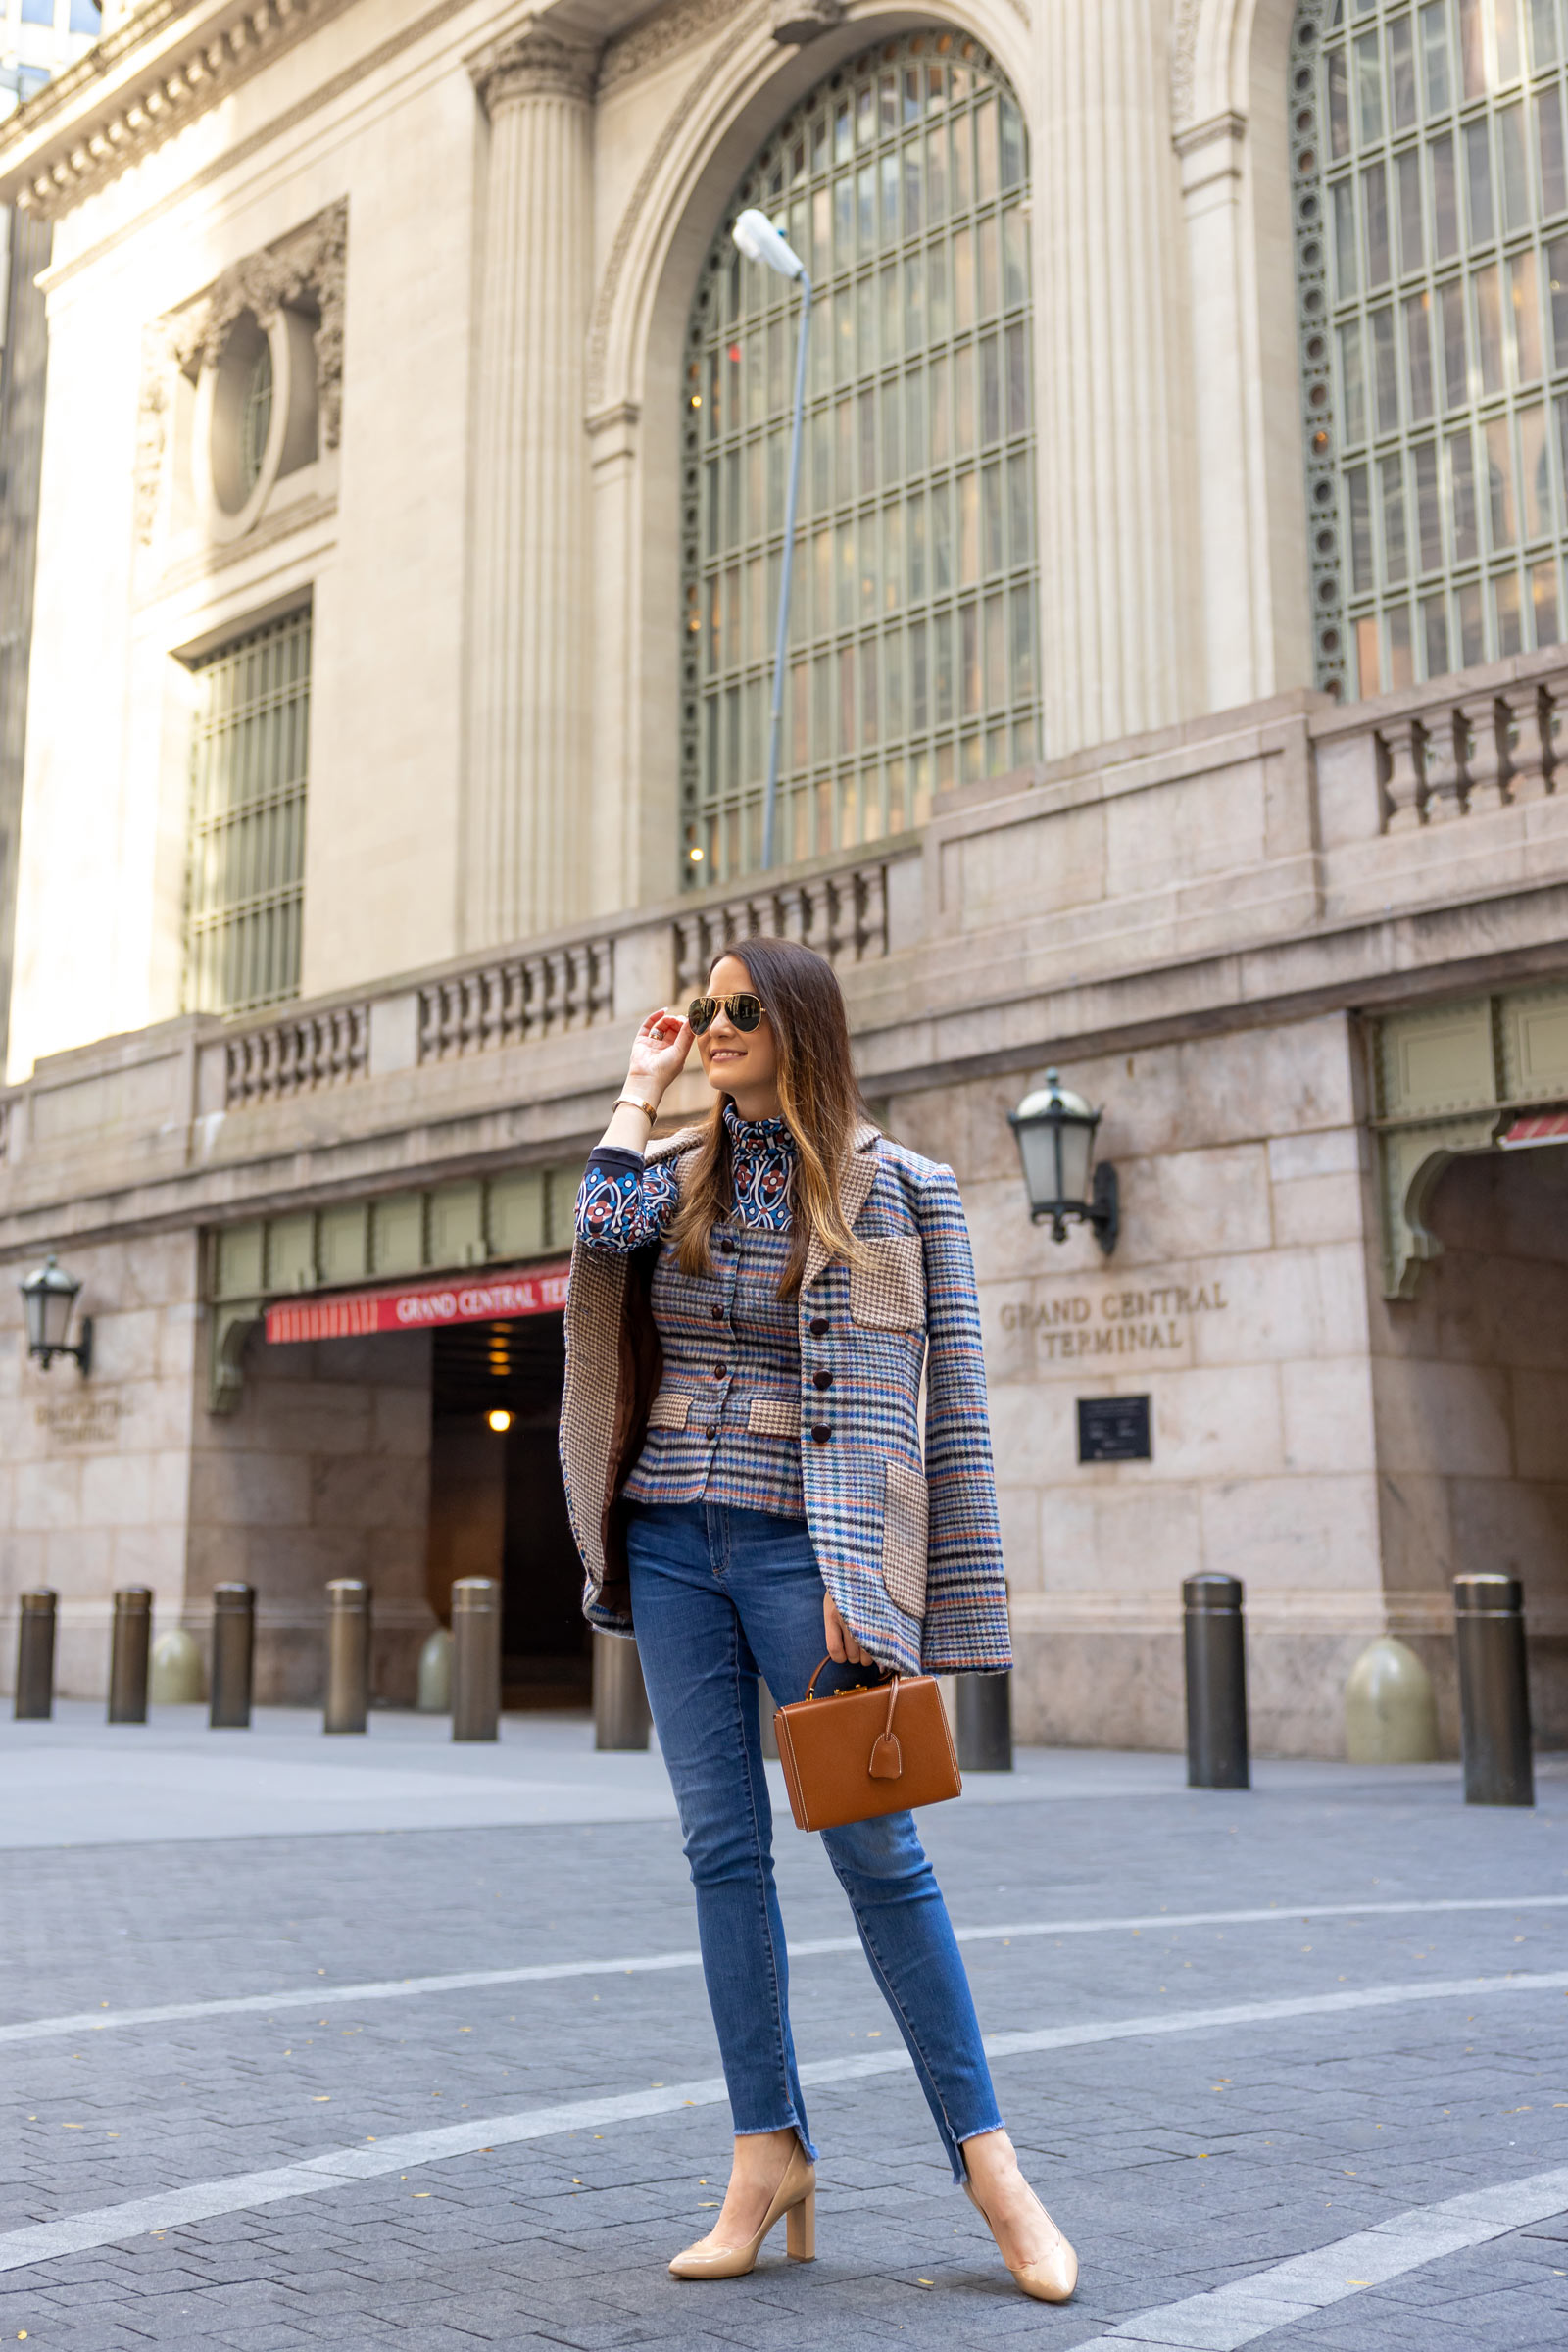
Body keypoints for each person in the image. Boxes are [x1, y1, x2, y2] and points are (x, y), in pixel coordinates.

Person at [559, 934, 1076, 2302]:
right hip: (669, 1540)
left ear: (800, 1024)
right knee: (721, 1849)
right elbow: (593, 1233)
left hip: (813, 1557)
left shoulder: (906, 1191)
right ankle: (764, 2150)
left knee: (879, 1856)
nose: (716, 1026)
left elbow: (949, 1414)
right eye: (704, 1011)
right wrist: (638, 1085)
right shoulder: (665, 1180)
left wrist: (902, 1605)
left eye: (740, 1011)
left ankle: (990, 2167)